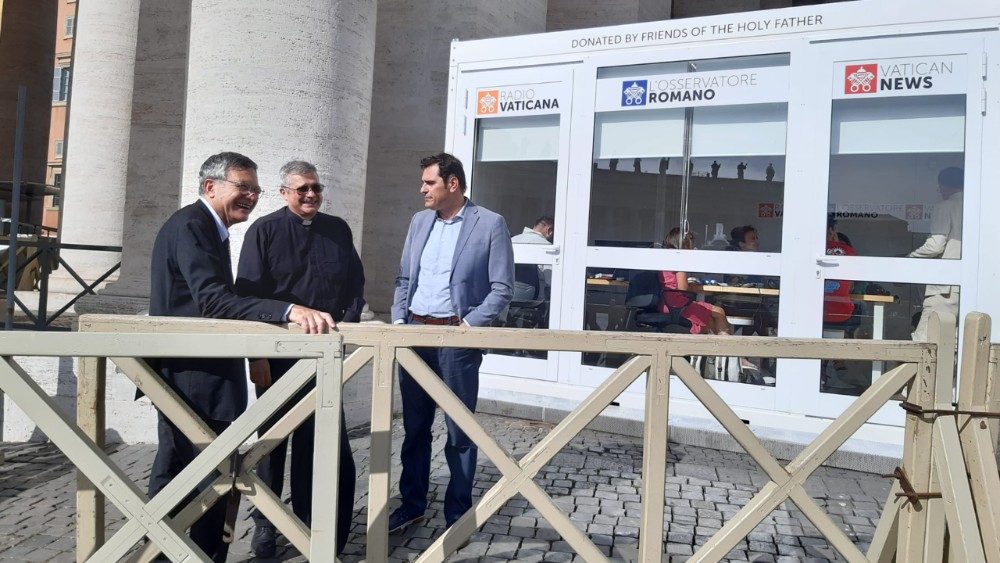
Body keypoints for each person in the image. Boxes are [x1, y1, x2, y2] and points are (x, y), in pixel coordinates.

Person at [148, 152, 334, 562]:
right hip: (193, 374)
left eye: (255, 190)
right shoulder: (192, 226)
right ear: (210, 186)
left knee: (183, 474)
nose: (251, 196)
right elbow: (213, 301)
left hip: (196, 372)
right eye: (243, 187)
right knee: (202, 480)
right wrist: (288, 310)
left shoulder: (208, 228)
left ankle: (171, 554)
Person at [235, 160, 363, 557]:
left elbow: (355, 286)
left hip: (325, 355)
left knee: (321, 443)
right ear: (284, 193)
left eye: (316, 188)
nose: (311, 194)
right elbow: (247, 299)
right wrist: (256, 358)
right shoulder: (264, 230)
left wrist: (345, 329)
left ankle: (314, 524)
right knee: (272, 442)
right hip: (278, 357)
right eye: (302, 188)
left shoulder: (338, 229)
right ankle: (265, 523)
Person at [389, 153, 514, 533]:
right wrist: (399, 320)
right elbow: (404, 279)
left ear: (453, 184)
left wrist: (468, 325)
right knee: (415, 429)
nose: (422, 189)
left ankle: (457, 515)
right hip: (414, 334)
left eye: (429, 182)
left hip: (456, 342)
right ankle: (411, 505)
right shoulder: (419, 221)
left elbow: (502, 288)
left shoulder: (490, 223)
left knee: (461, 432)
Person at [909, 166, 964, 341]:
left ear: (943, 186)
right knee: (958, 343)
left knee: (924, 341)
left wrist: (909, 259)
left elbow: (935, 246)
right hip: (969, 287)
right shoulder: (978, 208)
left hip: (945, 289)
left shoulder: (946, 206)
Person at [659, 228, 731, 335]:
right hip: (678, 305)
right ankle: (725, 343)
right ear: (683, 241)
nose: (693, 242)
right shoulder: (678, 259)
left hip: (665, 304)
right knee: (719, 312)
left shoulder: (665, 257)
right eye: (691, 238)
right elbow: (683, 288)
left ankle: (718, 343)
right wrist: (694, 287)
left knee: (709, 321)